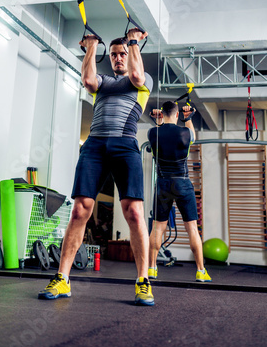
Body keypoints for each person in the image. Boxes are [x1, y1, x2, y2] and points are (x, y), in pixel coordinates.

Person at [38, 28, 154, 305]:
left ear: (131, 54)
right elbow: (88, 81)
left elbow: (136, 75)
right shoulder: (101, 82)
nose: (117, 58)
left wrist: (134, 42)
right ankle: (63, 279)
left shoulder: (142, 80)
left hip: (125, 146)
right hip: (94, 146)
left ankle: (143, 280)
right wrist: (91, 46)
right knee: (80, 209)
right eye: (113, 55)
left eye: (122, 54)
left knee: (134, 213)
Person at [147, 101, 211, 282]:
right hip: (182, 183)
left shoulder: (153, 132)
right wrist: (188, 118)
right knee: (192, 228)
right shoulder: (185, 132)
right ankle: (200, 271)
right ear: (177, 115)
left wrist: (157, 121)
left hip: (163, 184)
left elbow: (160, 133)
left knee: (158, 227)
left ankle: (152, 268)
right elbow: (193, 137)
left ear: (162, 114)